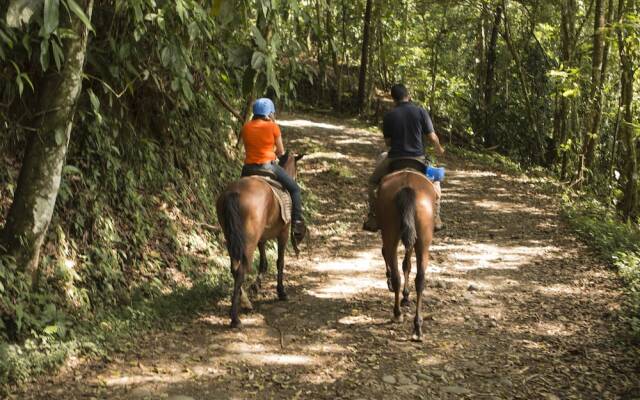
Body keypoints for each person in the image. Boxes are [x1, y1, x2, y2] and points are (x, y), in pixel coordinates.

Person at [362, 84, 445, 232]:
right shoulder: (421, 111)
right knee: (436, 181)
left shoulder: (389, 116)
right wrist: (439, 148)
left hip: (395, 159)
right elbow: (432, 137)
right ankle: (436, 217)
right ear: (408, 95)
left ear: (393, 99)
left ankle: (373, 216)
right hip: (418, 160)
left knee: (373, 182)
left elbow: (388, 143)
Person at [241, 98, 306, 242]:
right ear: (269, 114)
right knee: (295, 189)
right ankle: (296, 223)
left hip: (247, 169)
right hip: (268, 167)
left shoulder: (245, 127)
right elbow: (281, 152)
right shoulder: (273, 127)